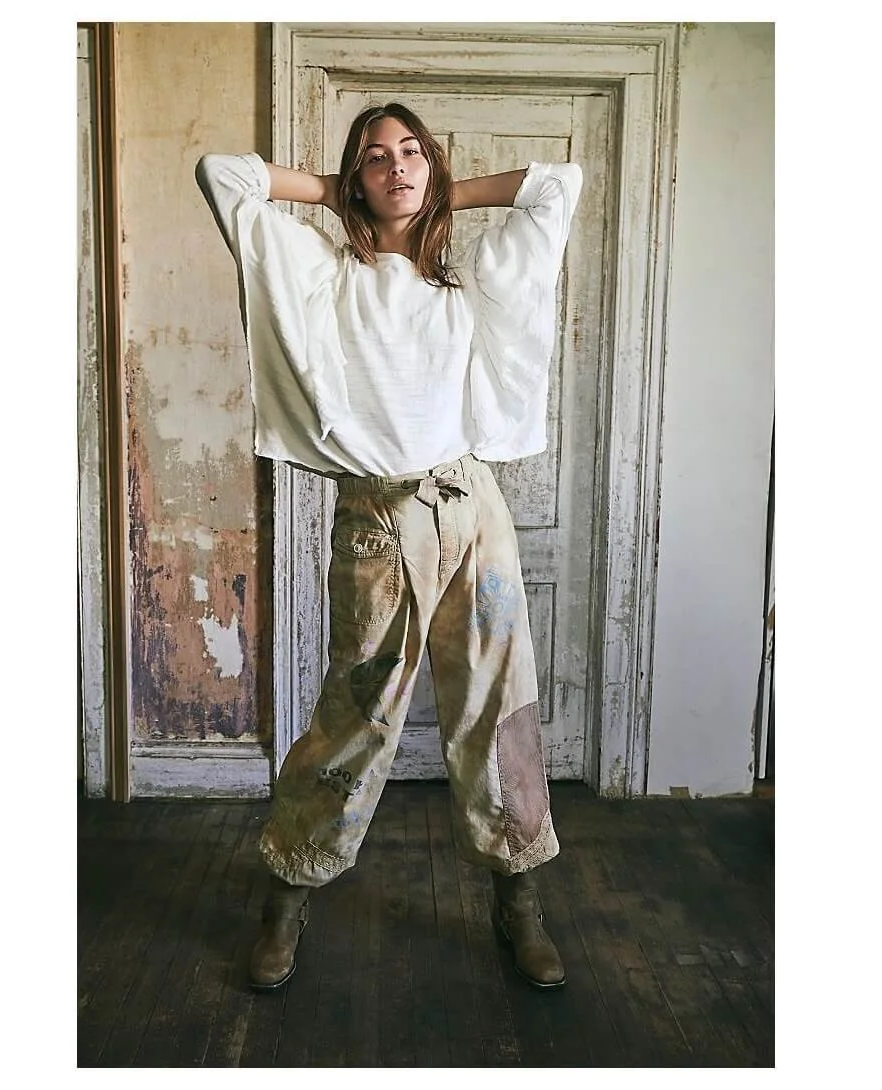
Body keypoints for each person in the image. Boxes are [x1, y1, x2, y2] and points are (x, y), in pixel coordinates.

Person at [196, 102, 582, 991]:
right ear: (353, 177)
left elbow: (556, 185)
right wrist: (338, 196)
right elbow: (226, 175)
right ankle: (287, 895)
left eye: (413, 153)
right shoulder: (323, 272)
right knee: (355, 719)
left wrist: (441, 192)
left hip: (471, 511)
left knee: (500, 710)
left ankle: (518, 898)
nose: (397, 166)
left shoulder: (467, 279)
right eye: (377, 157)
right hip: (379, 522)